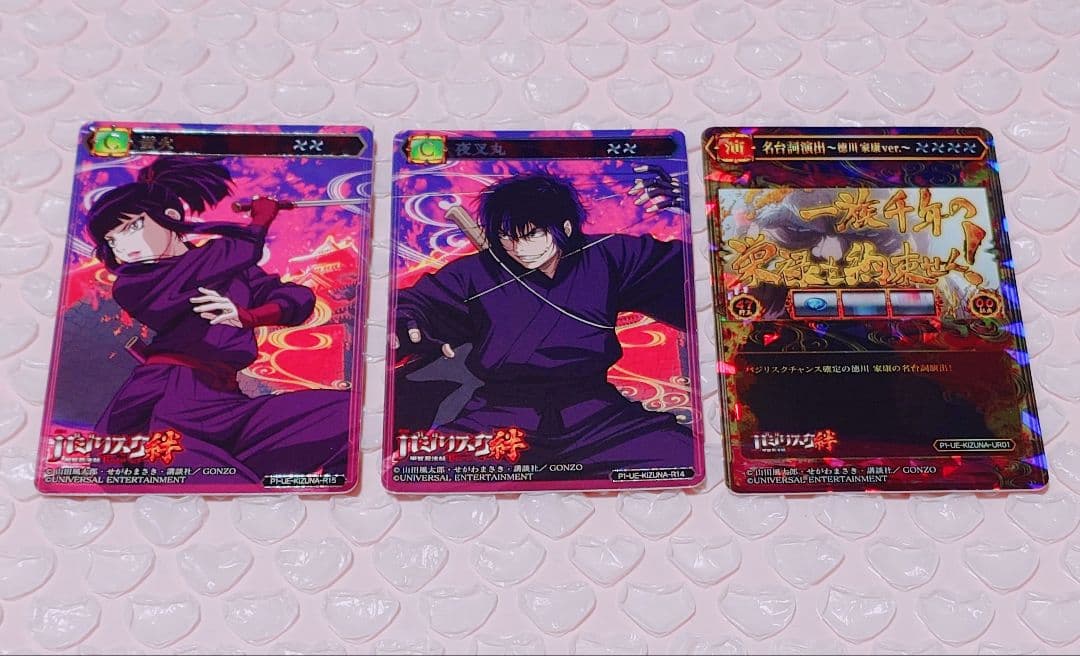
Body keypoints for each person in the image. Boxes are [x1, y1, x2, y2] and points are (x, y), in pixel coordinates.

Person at [393, 172, 694, 474]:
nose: (517, 248)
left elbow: (680, 270)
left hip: (598, 417)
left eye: (530, 235)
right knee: (419, 470)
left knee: (682, 456)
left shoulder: (608, 255)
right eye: (507, 237)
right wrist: (406, 323)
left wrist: (692, 205)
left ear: (565, 227)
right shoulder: (476, 272)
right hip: (500, 415)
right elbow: (420, 302)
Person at [88, 157, 349, 482]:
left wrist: (250, 316)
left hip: (225, 403)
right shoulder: (134, 283)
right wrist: (259, 222)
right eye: (112, 240)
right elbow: (229, 255)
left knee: (349, 415)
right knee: (221, 483)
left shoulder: (229, 265)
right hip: (165, 401)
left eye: (132, 227)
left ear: (170, 217)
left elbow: (297, 299)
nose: (123, 246)